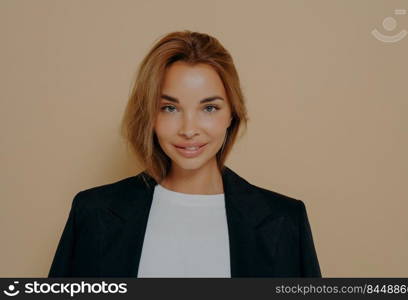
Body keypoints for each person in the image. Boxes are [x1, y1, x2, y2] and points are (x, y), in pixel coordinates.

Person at [48, 30, 321, 278]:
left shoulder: (285, 220)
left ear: (232, 114)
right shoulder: (93, 213)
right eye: (169, 108)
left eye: (209, 108)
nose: (189, 130)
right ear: (149, 116)